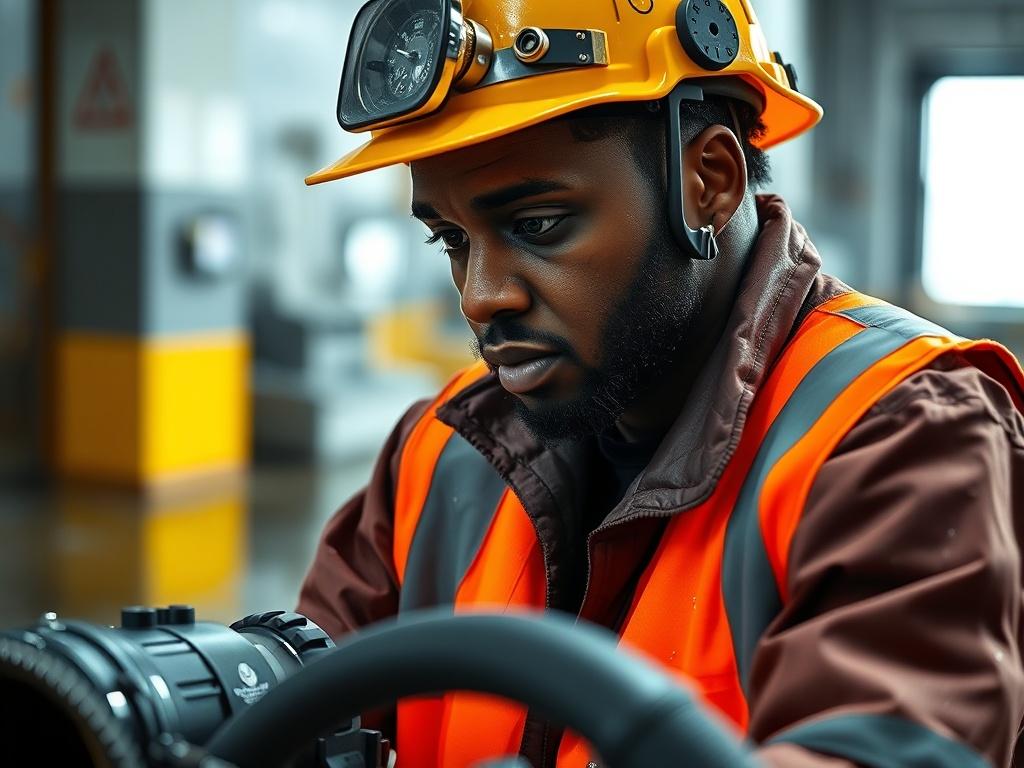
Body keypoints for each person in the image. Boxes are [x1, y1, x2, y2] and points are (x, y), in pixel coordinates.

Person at [296, 1, 1024, 765]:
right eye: (451, 239)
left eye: (538, 224)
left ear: (707, 179)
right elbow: (300, 698)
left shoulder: (901, 435)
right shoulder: (439, 453)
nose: (480, 296)